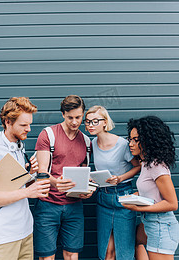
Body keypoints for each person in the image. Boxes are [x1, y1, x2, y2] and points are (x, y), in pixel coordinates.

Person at [0, 97, 50, 260]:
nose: (29, 129)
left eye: (30, 124)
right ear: (7, 122)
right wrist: (28, 192)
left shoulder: (18, 146)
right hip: (1, 240)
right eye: (24, 125)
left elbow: (12, 187)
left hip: (25, 233)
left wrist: (30, 175)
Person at [33, 95, 92, 260]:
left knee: (72, 254)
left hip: (74, 207)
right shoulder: (48, 135)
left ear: (83, 115)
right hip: (48, 205)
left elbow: (84, 173)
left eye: (78, 117)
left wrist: (87, 190)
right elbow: (42, 172)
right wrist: (56, 183)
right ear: (63, 115)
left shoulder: (86, 141)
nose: (74, 122)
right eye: (70, 117)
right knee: (47, 257)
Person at [84, 105, 141, 260]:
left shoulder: (122, 144)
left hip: (123, 198)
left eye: (95, 121)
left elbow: (138, 166)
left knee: (123, 252)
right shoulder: (92, 144)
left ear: (105, 122)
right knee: (106, 252)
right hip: (103, 198)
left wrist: (120, 178)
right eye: (88, 121)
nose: (90, 125)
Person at [124, 115, 179, 260]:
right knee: (138, 243)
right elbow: (152, 193)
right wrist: (134, 197)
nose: (130, 143)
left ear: (148, 141)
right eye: (130, 139)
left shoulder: (157, 165)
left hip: (161, 226)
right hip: (150, 222)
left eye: (136, 140)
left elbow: (172, 203)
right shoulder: (146, 164)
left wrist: (139, 208)